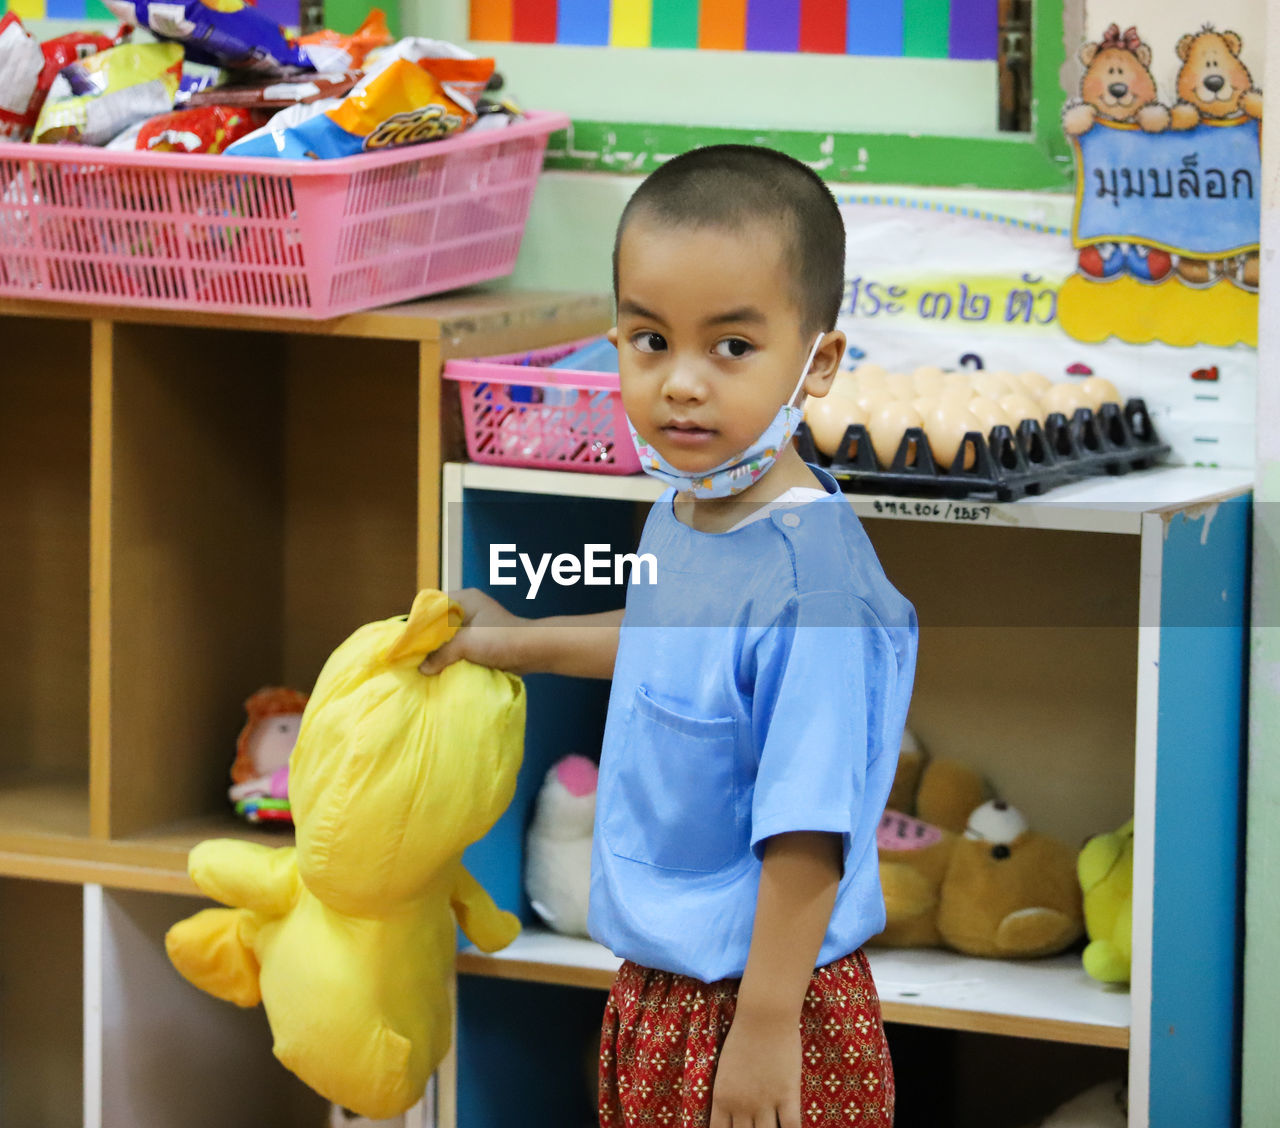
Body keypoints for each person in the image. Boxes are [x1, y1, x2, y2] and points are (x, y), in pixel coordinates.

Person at [420, 144, 917, 1128]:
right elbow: (670, 646)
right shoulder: (688, 509)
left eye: (730, 348)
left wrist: (767, 1027)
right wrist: (507, 640)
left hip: (765, 1000)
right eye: (650, 341)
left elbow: (806, 836)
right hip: (665, 990)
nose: (681, 383)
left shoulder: (808, 586)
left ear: (814, 362)